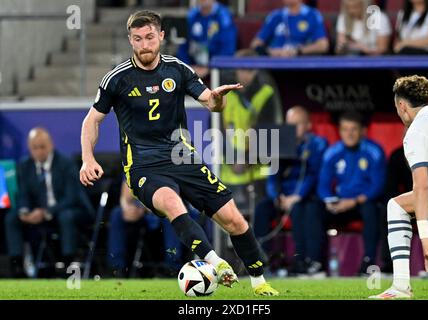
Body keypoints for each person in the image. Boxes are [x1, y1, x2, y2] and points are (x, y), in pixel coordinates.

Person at [80, 10, 278, 296]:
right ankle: (216, 263)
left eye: (149, 37)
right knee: (173, 204)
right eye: (137, 39)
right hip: (143, 166)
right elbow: (92, 120)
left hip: (181, 158)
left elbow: (210, 103)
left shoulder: (178, 69)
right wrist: (88, 158)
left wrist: (218, 100)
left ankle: (259, 283)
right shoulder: (117, 78)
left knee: (235, 220)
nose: (144, 45)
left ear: (161, 36)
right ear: (130, 40)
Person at [370, 75, 428, 299]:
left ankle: (401, 287)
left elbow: (421, 187)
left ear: (402, 106)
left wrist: (424, 236)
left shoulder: (416, 131)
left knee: (396, 206)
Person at [5, 127, 94, 277]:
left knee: (66, 216)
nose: (39, 151)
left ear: (51, 145)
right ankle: (17, 267)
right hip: (41, 214)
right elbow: (23, 194)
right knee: (12, 218)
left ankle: (68, 265)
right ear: (29, 148)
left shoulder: (66, 163)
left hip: (74, 211)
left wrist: (46, 212)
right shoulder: (25, 166)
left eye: (42, 146)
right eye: (35, 148)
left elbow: (72, 197)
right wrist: (25, 211)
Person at [254, 106, 328, 276]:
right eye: (290, 124)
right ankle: (261, 261)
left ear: (308, 125)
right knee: (261, 209)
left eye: (298, 124)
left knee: (303, 209)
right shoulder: (279, 144)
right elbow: (272, 176)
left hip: (306, 197)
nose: (293, 129)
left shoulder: (318, 144)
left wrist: (297, 196)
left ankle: (305, 261)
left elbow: (313, 174)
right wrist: (277, 196)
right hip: (282, 197)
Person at [317, 112, 386, 275]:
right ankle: (315, 263)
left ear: (363, 131)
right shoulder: (332, 152)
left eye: (353, 129)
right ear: (340, 131)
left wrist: (355, 201)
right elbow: (323, 184)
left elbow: (378, 185)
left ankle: (368, 263)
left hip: (363, 202)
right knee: (315, 210)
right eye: (345, 129)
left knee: (372, 210)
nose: (349, 133)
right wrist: (329, 201)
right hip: (340, 204)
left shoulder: (374, 151)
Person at [220, 49, 283, 210]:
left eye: (250, 70)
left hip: (257, 172)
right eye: (242, 69)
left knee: (258, 220)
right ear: (235, 70)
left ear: (256, 71)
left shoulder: (266, 94)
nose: (245, 75)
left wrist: (247, 159)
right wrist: (232, 159)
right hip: (230, 171)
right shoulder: (223, 93)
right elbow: (217, 129)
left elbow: (267, 132)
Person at [379, 144, 428, 276]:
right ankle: (390, 267)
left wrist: (424, 235)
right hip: (413, 202)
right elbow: (390, 188)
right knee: (390, 207)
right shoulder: (397, 156)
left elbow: (425, 189)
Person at [107, 180, 189, 277]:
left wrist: (145, 208)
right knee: (117, 213)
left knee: (172, 215)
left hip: (162, 208)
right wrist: (127, 209)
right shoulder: (132, 166)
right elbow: (124, 197)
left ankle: (172, 267)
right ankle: (117, 268)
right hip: (140, 210)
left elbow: (171, 196)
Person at [176, 0, 237, 78]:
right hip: (193, 65)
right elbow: (183, 45)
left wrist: (209, 68)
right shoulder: (191, 15)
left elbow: (228, 49)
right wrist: (188, 66)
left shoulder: (224, 16)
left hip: (217, 68)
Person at [250, 0, 329, 57]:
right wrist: (270, 52)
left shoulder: (312, 15)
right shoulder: (275, 16)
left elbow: (323, 45)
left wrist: (298, 51)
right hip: (274, 61)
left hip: (300, 61)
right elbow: (255, 44)